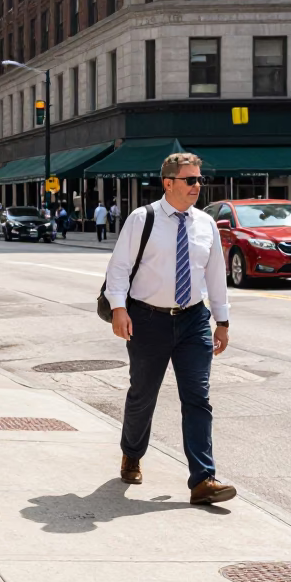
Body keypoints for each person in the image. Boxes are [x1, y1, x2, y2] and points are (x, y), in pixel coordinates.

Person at [105, 152, 235, 505]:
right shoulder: (142, 219)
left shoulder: (205, 224)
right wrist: (119, 308)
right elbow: (118, 268)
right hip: (148, 318)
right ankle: (132, 452)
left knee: (198, 398)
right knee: (142, 394)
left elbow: (215, 277)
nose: (197, 186)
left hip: (194, 320)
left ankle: (202, 480)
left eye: (199, 179)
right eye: (190, 180)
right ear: (169, 182)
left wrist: (221, 321)